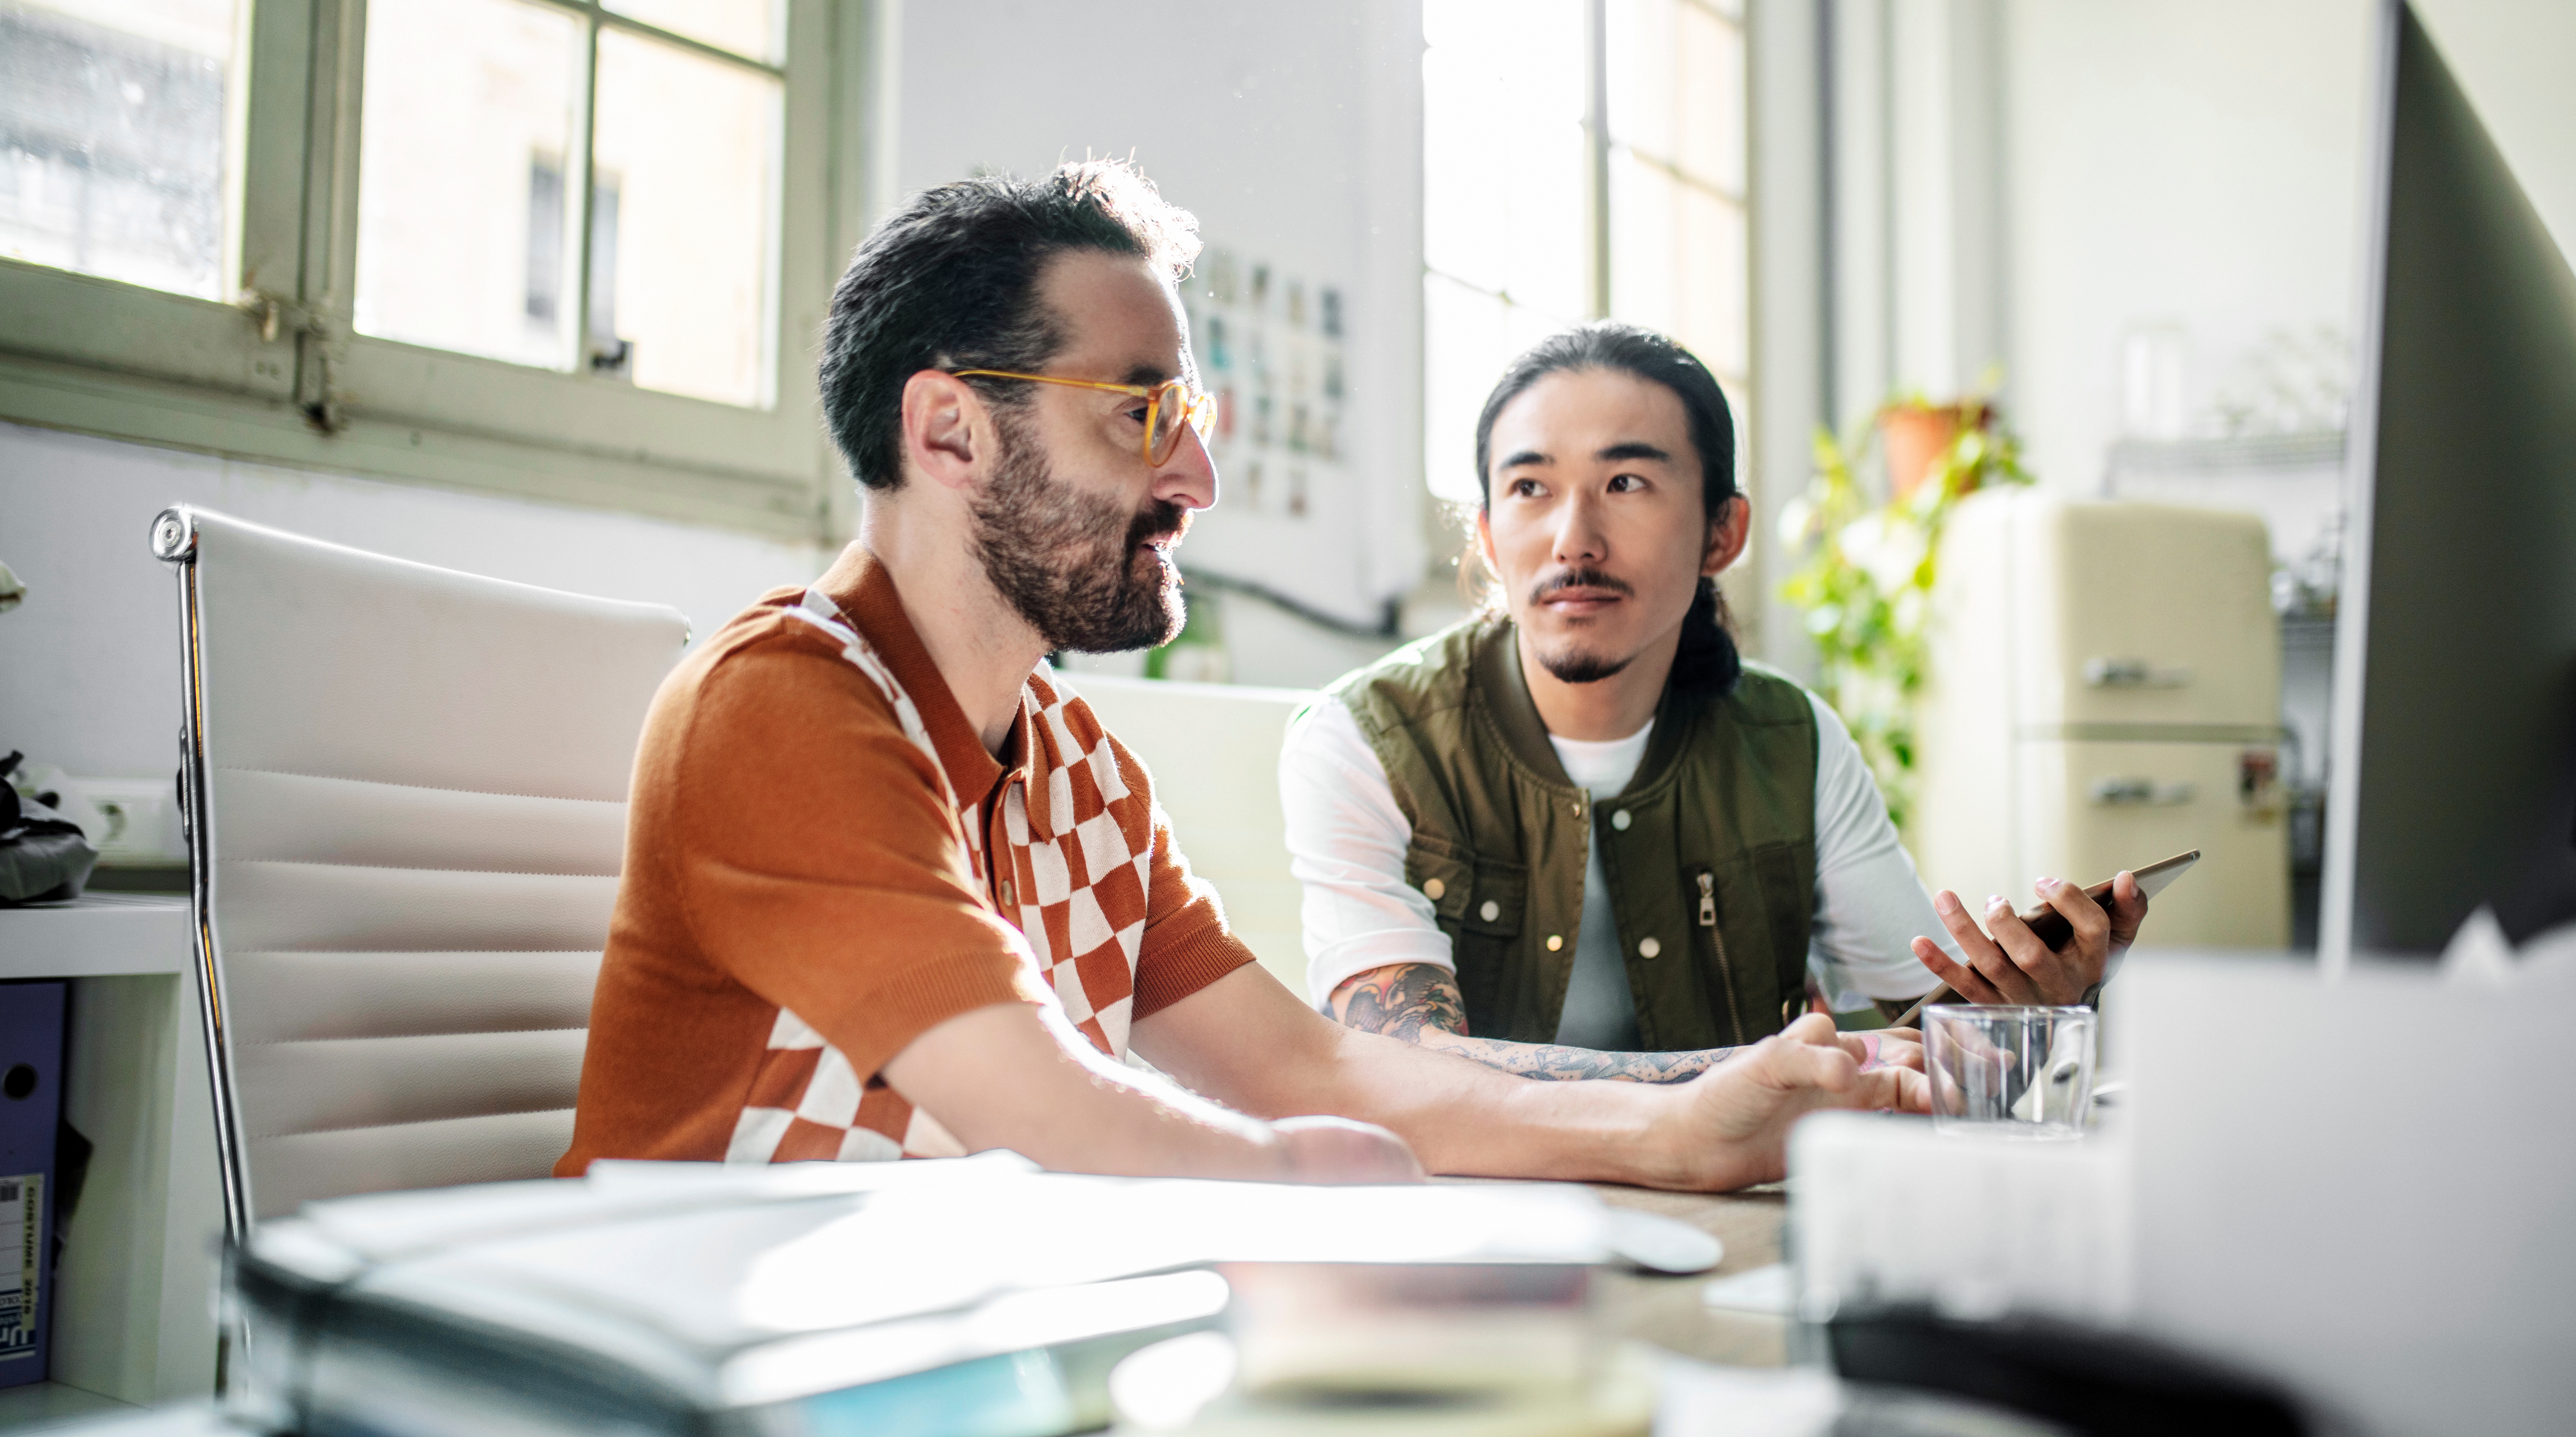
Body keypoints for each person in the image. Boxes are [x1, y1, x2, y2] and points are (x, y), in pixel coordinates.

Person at [559, 163, 1922, 1192]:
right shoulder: (783, 700)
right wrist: (1316, 1191)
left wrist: (1681, 1129)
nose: (1198, 478)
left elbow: (1309, 1063)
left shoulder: (1078, 763)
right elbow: (1053, 1117)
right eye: (1144, 411)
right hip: (668, 1393)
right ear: (950, 430)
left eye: (1193, 420)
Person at [1280, 322, 2147, 1082]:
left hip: (1736, 1214)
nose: (1571, 538)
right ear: (1485, 536)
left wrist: (2031, 1009)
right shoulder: (1362, 739)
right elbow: (1402, 1067)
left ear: (1721, 533)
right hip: (1480, 1228)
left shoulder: (1791, 741)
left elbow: (1930, 1023)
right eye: (1529, 488)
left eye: (1625, 483)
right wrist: (1760, 1076)